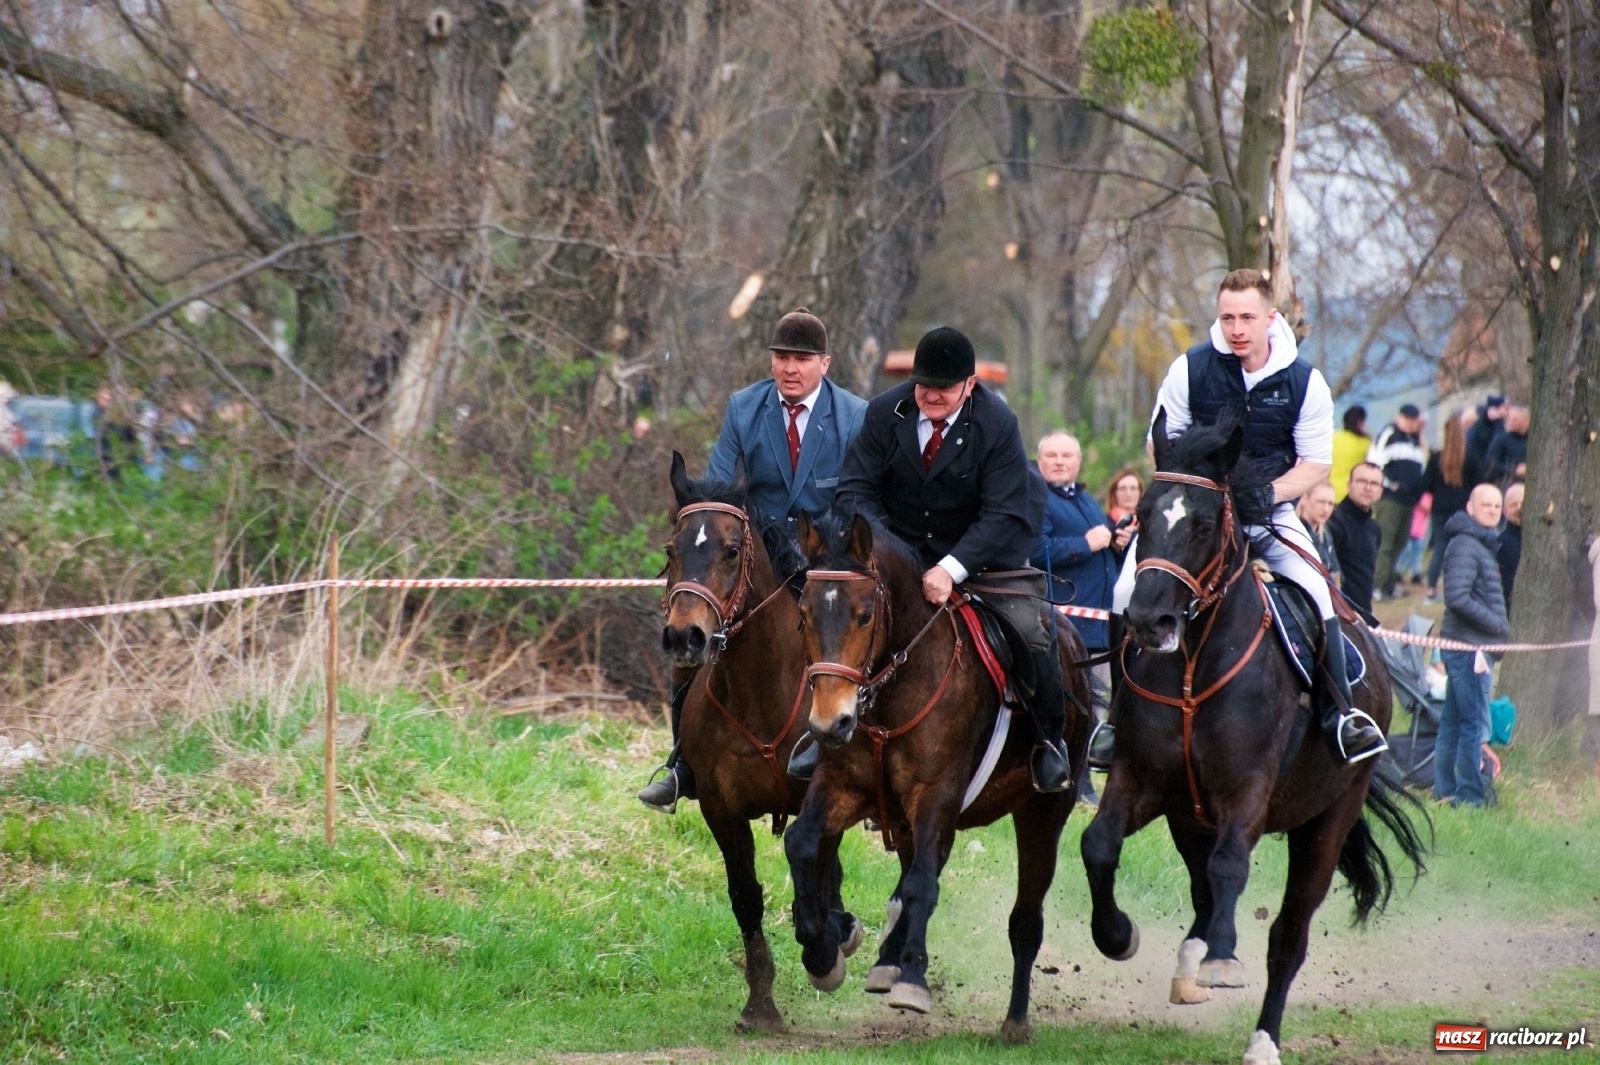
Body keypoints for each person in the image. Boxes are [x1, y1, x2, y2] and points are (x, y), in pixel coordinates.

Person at [1100, 268, 1387, 768]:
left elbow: (1316, 464)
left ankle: (1340, 714)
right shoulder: (1190, 368)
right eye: (1227, 317)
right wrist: (1202, 495)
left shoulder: (1305, 381)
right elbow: (1158, 443)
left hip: (1268, 512)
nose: (1236, 328)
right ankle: (1115, 719)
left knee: (1316, 589)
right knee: (1125, 591)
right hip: (1198, 516)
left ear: (1270, 318)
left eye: (1247, 317)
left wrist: (1265, 493)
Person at [638, 308, 868, 813]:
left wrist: (824, 551)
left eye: (802, 360)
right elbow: (721, 488)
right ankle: (682, 764)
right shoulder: (745, 407)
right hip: (755, 558)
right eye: (782, 357)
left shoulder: (854, 414)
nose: (790, 368)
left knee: (851, 638)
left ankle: (864, 764)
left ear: (824, 364)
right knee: (692, 629)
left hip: (821, 559)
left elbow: (856, 498)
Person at [831, 326, 1072, 793]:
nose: (931, 396)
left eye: (943, 388)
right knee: (830, 615)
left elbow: (1002, 512)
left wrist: (951, 568)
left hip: (983, 557)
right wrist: (892, 554)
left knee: (1032, 630)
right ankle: (817, 736)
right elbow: (854, 489)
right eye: (924, 386)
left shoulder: (997, 423)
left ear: (969, 385)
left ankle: (1049, 741)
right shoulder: (886, 411)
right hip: (898, 551)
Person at [1030, 431, 1117, 804]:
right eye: (1052, 455)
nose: (1060, 461)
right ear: (1040, 460)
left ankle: (1086, 781)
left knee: (1096, 708)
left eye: (1067, 455)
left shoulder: (1083, 498)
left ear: (1079, 461)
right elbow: (1036, 550)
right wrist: (1087, 544)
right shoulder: (1037, 498)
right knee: (1075, 708)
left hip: (1099, 625)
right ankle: (1075, 784)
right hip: (1064, 623)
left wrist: (1117, 540)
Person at [1435, 483, 1508, 808]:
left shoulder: (1479, 544)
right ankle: (1470, 796)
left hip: (1469, 647)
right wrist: (1497, 626)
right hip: (1469, 649)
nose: (1492, 510)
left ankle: (1447, 789)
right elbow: (1457, 597)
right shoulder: (1467, 544)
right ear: (1470, 507)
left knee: (1453, 721)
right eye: (1486, 505)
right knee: (1472, 723)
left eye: (1497, 505)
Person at [1367, 403, 1428, 600]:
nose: (1412, 424)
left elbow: (1420, 467)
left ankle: (1389, 583)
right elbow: (1375, 461)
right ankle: (1377, 585)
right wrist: (1388, 484)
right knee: (1386, 542)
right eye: (1409, 419)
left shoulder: (1416, 441)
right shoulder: (1389, 434)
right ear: (1400, 417)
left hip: (1408, 501)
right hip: (1390, 499)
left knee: (1400, 543)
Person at [1421, 410, 1482, 601]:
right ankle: (1458, 588)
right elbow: (1478, 484)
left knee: (1440, 548)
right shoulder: (1471, 458)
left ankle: (1431, 589)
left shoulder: (1436, 458)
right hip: (1463, 509)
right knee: (1461, 549)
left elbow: (1426, 484)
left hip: (1440, 509)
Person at [1328, 462, 1384, 615]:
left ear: (1380, 492)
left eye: (1374, 484)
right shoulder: (1332, 522)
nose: (1368, 488)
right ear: (1349, 486)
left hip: (1363, 615)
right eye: (1361, 481)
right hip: (1339, 614)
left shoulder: (1374, 529)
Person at [1296, 480, 1341, 580]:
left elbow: (1335, 572)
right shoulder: (1295, 532)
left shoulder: (1326, 537)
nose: (1326, 509)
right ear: (1305, 499)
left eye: (1331, 504)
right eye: (1321, 502)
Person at [1103, 466, 1142, 566]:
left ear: (1140, 493)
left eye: (1133, 488)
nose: (1128, 494)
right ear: (1114, 493)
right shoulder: (1104, 523)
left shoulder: (1148, 525)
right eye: (1122, 489)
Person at [1330, 405, 1370, 503]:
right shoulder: (1366, 443)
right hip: (1353, 494)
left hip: (1331, 491)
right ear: (1360, 422)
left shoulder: (1334, 438)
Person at [1484, 404, 1529, 486]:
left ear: (1525, 421)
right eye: (1509, 419)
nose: (1511, 422)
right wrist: (1513, 470)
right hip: (1507, 484)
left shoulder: (1531, 439)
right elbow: (1491, 463)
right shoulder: (1500, 440)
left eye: (1515, 419)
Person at [1466, 393, 1507, 476]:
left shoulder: (1502, 423)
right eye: (1505, 408)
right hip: (1484, 471)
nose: (1508, 411)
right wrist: (1498, 422)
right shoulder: (1482, 427)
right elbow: (1497, 443)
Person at [1498, 481, 1524, 611]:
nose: (1519, 508)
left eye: (1524, 503)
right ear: (1504, 511)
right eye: (1513, 505)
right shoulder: (1502, 544)